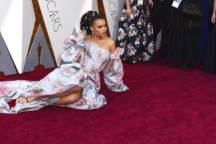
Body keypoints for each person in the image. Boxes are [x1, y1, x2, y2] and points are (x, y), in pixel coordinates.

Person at [0, 11, 129, 114]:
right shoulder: (83, 39)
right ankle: (35, 97)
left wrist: (116, 84)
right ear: (91, 28)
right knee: (76, 86)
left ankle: (44, 99)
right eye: (100, 27)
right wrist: (79, 38)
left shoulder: (110, 43)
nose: (104, 29)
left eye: (105, 25)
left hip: (90, 79)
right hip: (75, 71)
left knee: (76, 98)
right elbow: (67, 56)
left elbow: (113, 67)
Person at [166, 0, 204, 70]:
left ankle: (188, 61)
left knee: (189, 37)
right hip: (179, 12)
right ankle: (178, 59)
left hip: (191, 13)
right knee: (179, 35)